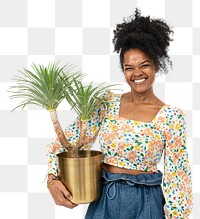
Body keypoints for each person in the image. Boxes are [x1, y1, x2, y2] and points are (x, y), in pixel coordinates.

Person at [47, 8, 193, 219]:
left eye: (144, 65)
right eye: (129, 67)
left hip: (148, 205)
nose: (137, 73)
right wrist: (53, 178)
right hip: (105, 200)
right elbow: (69, 142)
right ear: (124, 71)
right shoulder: (107, 104)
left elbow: (177, 176)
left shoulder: (171, 117)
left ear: (157, 66)